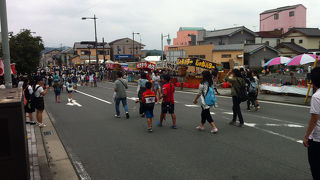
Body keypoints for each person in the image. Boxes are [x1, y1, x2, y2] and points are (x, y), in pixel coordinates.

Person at [303, 67, 320, 180]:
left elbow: (314, 119)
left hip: (317, 139)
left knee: (316, 169)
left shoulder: (316, 96)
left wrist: (306, 137)